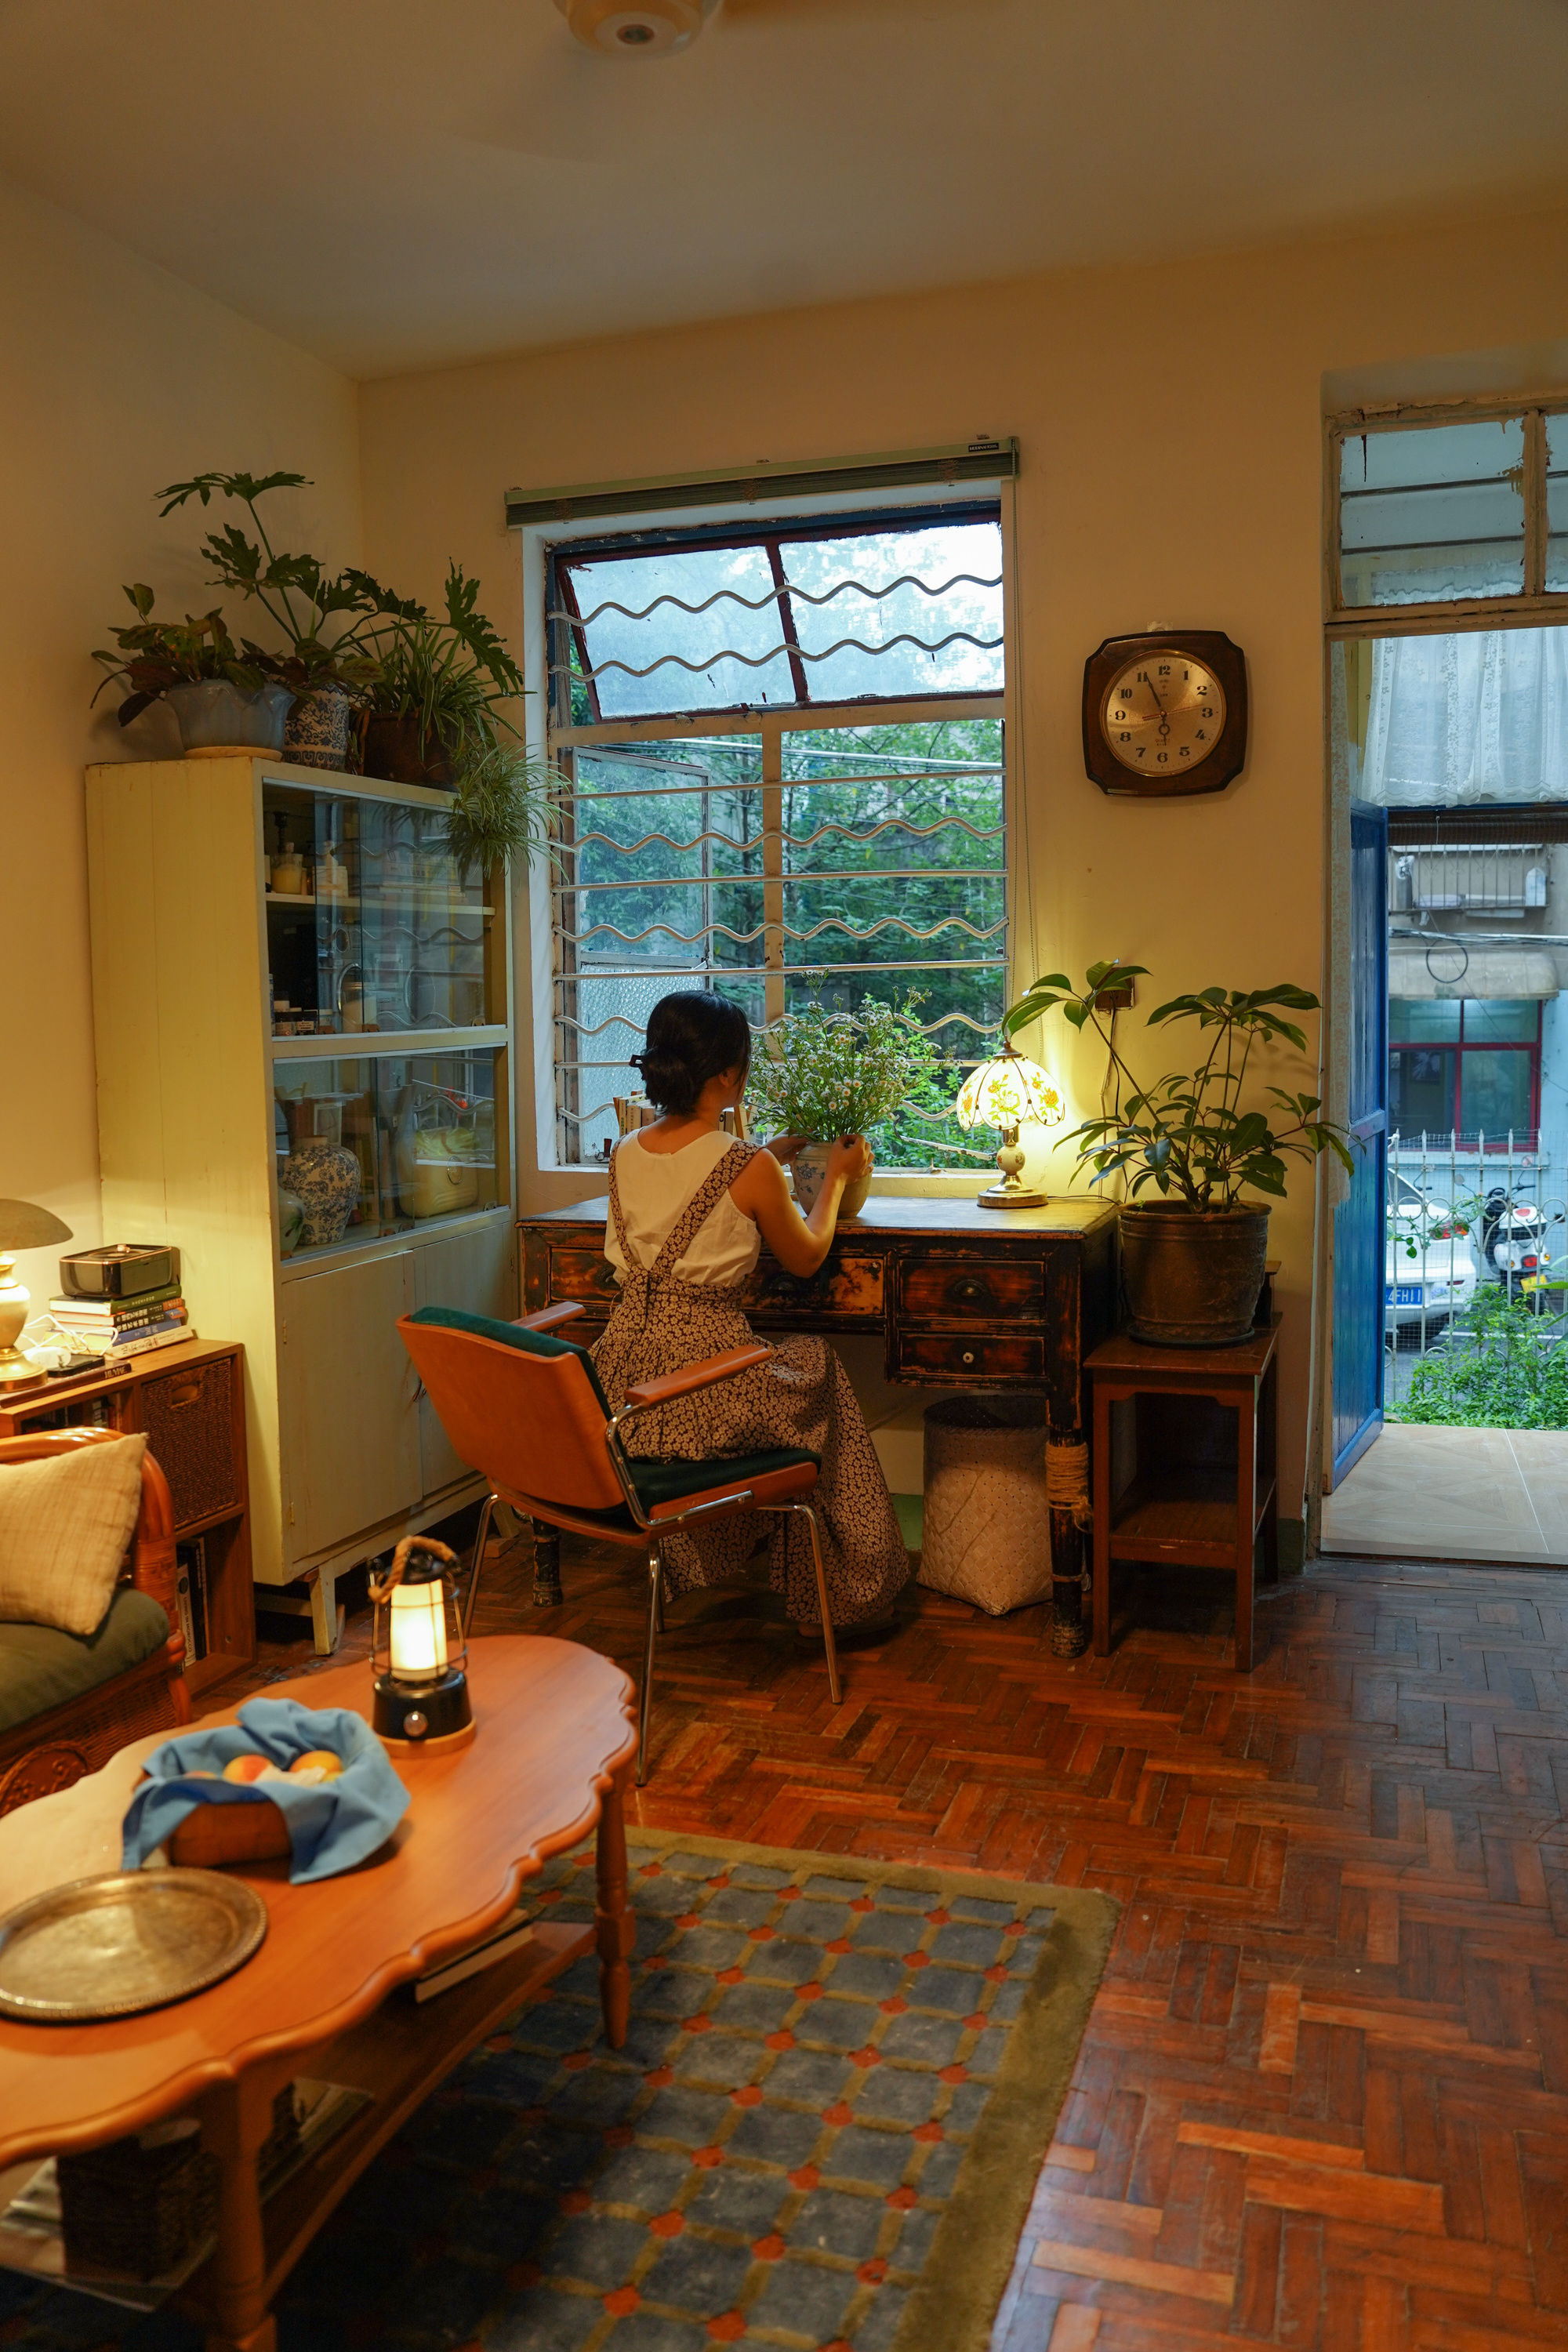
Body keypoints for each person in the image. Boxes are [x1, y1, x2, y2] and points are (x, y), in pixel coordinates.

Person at [593, 991, 910, 1633]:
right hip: (699, 1396)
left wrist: (765, 1156)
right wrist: (837, 1176)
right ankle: (844, 1592)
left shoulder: (625, 1150)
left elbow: (687, 1175)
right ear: (729, 1074)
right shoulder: (748, 1165)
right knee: (818, 1369)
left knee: (794, 1379)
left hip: (620, 1397)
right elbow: (806, 1257)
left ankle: (734, 1561)